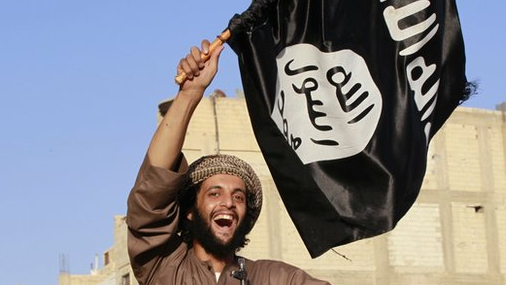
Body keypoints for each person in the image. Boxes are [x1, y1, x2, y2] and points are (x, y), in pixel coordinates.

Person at [126, 39, 332, 285]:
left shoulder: (274, 278)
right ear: (190, 211)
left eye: (238, 197)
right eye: (214, 193)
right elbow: (153, 188)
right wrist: (190, 95)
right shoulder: (166, 269)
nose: (228, 203)